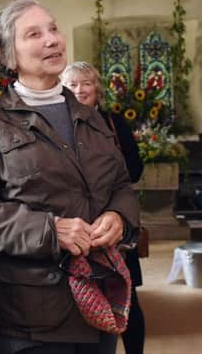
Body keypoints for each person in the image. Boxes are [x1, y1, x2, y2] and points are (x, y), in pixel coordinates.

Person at [0, 0, 140, 354]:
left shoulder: (93, 118)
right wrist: (50, 230)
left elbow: (121, 185)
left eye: (53, 28)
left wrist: (119, 216)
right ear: (8, 54)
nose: (52, 39)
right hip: (34, 313)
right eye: (34, 34)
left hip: (100, 295)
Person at [62, 62, 146, 354]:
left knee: (127, 292)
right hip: (74, 222)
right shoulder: (55, 124)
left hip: (113, 217)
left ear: (97, 89)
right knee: (80, 292)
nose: (79, 90)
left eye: (86, 83)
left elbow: (134, 170)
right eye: (72, 84)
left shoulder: (113, 122)